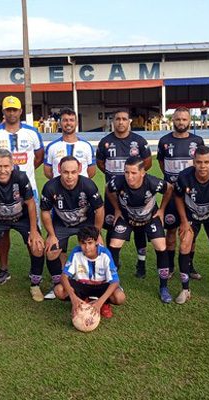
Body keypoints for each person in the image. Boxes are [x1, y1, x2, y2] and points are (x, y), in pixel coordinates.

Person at [0, 150, 45, 302]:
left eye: (6, 166)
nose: (2, 170)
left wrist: (34, 230)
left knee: (37, 246)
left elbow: (31, 204)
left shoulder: (21, 177)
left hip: (21, 218)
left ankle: (35, 284)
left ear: (12, 166)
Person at [0, 96, 44, 285]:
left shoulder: (32, 132)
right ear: (3, 112)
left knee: (32, 232)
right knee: (3, 233)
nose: (11, 113)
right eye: (8, 110)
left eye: (14, 110)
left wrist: (22, 177)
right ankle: (3, 269)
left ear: (20, 111)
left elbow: (39, 157)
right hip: (0, 194)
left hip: (28, 191)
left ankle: (34, 271)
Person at [106, 156, 174, 303]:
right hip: (127, 218)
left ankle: (163, 287)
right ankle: (113, 284)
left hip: (150, 218)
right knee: (113, 245)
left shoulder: (152, 182)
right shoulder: (118, 181)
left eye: (133, 173)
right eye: (126, 172)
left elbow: (169, 188)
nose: (129, 176)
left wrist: (161, 210)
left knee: (161, 247)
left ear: (142, 172)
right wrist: (117, 209)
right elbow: (108, 189)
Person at [96, 109, 152, 278]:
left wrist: (132, 181)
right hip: (113, 195)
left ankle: (141, 263)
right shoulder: (105, 142)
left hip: (135, 194)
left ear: (129, 122)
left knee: (139, 228)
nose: (121, 122)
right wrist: (116, 181)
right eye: (117, 119)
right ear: (113, 121)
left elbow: (147, 163)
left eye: (124, 119)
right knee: (112, 226)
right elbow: (100, 163)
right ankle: (115, 261)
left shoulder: (139, 141)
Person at [173, 145, 209, 305]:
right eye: (199, 162)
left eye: (206, 162)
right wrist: (184, 221)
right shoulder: (184, 177)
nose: (202, 166)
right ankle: (185, 289)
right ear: (194, 162)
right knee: (184, 245)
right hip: (191, 214)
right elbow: (178, 197)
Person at [41, 156, 104, 299]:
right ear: (59, 170)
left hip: (85, 223)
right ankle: (58, 283)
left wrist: (97, 233)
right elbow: (45, 212)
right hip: (61, 223)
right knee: (52, 251)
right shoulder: (50, 187)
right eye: (65, 172)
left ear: (80, 170)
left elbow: (99, 210)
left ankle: (95, 283)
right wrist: (51, 235)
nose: (69, 176)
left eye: (73, 172)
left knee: (96, 248)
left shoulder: (88, 185)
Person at [157, 107, 205, 280]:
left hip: (191, 195)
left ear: (189, 121)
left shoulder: (197, 141)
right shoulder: (164, 140)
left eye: (184, 120)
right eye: (177, 119)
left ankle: (189, 266)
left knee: (190, 231)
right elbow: (162, 163)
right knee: (170, 231)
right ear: (173, 120)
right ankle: (170, 266)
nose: (181, 123)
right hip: (170, 195)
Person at [54, 226, 125, 319]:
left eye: (90, 243)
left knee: (120, 297)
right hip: (82, 285)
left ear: (96, 242)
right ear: (79, 242)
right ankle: (81, 301)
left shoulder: (105, 254)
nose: (87, 247)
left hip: (101, 286)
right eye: (83, 243)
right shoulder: (76, 252)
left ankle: (104, 304)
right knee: (58, 290)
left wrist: (100, 303)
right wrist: (73, 298)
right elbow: (64, 276)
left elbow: (115, 282)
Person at [44, 108, 96, 179]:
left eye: (71, 120)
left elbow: (91, 171)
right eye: (65, 120)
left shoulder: (86, 146)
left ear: (76, 123)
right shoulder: (52, 147)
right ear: (59, 123)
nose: (68, 123)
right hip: (59, 189)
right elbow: (48, 172)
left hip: (80, 188)